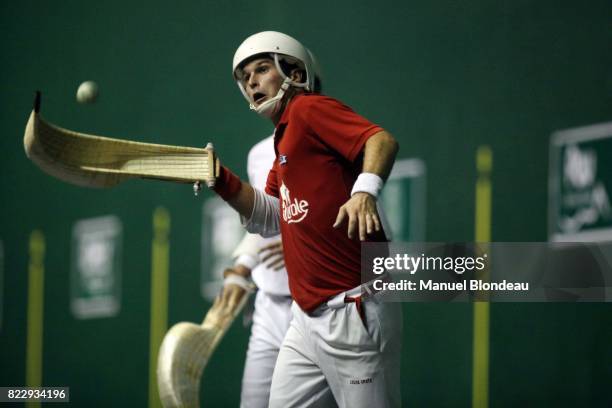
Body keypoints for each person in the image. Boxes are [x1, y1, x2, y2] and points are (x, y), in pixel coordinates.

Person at [211, 31, 402, 408]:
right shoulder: (283, 140)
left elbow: (380, 141)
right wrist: (220, 178)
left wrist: (364, 191)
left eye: (262, 69)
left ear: (294, 71)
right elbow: (269, 216)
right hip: (306, 318)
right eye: (245, 77)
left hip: (353, 309)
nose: (251, 82)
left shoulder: (309, 109)